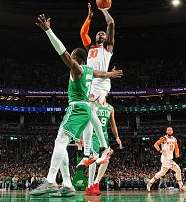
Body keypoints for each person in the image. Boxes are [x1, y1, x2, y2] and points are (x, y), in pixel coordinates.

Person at [30, 14, 122, 197]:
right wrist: (110, 75)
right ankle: (67, 184)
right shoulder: (90, 70)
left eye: (72, 57)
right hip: (84, 109)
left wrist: (48, 31)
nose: (69, 58)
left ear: (75, 59)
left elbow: (61, 51)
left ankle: (50, 181)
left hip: (77, 107)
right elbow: (101, 73)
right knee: (60, 143)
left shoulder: (78, 69)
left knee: (61, 142)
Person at [78, 4, 116, 168]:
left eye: (103, 33)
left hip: (101, 83)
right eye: (98, 33)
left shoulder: (107, 47)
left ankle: (98, 149)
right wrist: (89, 18)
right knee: (88, 114)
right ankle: (89, 153)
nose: (101, 34)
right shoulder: (90, 47)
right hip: (91, 82)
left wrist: (104, 10)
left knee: (88, 111)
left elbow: (111, 24)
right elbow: (83, 33)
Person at [85, 99, 122, 196]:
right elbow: (86, 119)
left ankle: (96, 183)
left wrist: (117, 136)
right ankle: (89, 186)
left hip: (104, 135)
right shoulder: (92, 104)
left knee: (106, 160)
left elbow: (113, 124)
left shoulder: (110, 108)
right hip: (94, 134)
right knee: (94, 157)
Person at [146, 127, 186, 192]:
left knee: (162, 173)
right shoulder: (164, 138)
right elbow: (155, 144)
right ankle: (181, 186)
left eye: (171, 130)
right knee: (178, 169)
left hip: (169, 158)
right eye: (168, 130)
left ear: (172, 131)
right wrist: (160, 150)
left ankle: (150, 182)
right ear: (166, 131)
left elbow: (176, 146)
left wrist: (177, 153)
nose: (170, 131)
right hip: (165, 158)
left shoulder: (174, 139)